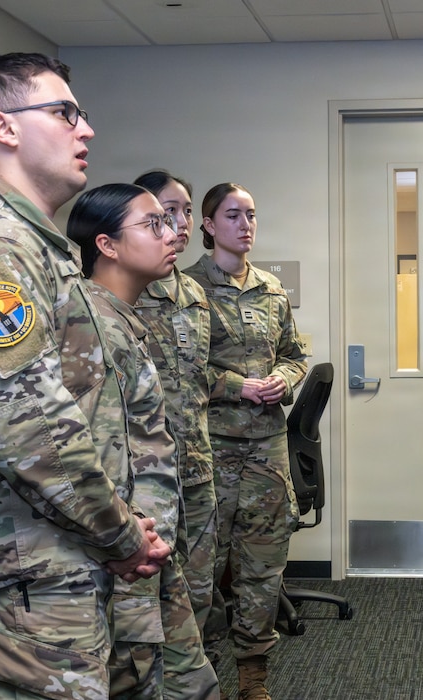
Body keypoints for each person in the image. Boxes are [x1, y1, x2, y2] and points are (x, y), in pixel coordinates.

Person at [0, 53, 169, 699]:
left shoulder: (31, 246)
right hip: (24, 568)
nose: (87, 130)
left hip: (51, 556)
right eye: (64, 112)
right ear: (3, 126)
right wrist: (122, 534)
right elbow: (32, 433)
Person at [67, 183, 221, 700]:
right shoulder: (89, 327)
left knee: (188, 680)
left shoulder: (122, 320)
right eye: (154, 223)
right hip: (120, 552)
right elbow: (88, 457)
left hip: (151, 545)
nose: (174, 231)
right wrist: (131, 539)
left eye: (173, 220)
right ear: (107, 245)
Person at [184, 183, 307, 700]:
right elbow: (177, 369)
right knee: (202, 567)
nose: (246, 225)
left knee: (262, 565)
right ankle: (203, 671)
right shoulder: (185, 288)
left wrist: (286, 377)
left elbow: (295, 352)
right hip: (210, 446)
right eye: (233, 215)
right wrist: (238, 385)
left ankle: (253, 676)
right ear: (209, 226)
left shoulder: (271, 290)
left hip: (267, 447)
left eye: (251, 215)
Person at [131, 170, 218, 645]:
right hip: (145, 474)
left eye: (186, 211)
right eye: (168, 211)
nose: (181, 222)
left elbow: (201, 379)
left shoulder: (195, 293)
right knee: (149, 598)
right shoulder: (123, 290)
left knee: (199, 590)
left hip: (197, 463)